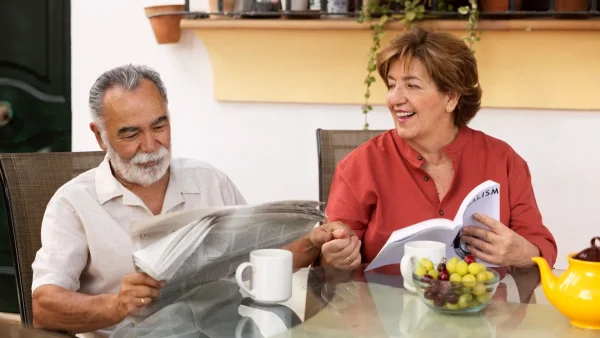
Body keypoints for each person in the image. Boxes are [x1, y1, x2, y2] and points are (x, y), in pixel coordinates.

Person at [30, 64, 351, 337]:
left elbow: (256, 267)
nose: (150, 145)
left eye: (160, 125)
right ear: (99, 136)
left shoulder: (210, 180)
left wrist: (312, 243)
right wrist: (115, 304)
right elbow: (43, 305)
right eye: (130, 134)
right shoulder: (73, 203)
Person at [319, 27, 557, 272]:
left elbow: (541, 246)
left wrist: (522, 252)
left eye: (412, 85)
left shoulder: (504, 160)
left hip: (483, 307)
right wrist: (334, 257)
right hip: (385, 306)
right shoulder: (359, 165)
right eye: (392, 85)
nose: (395, 99)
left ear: (451, 98)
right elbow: (328, 262)